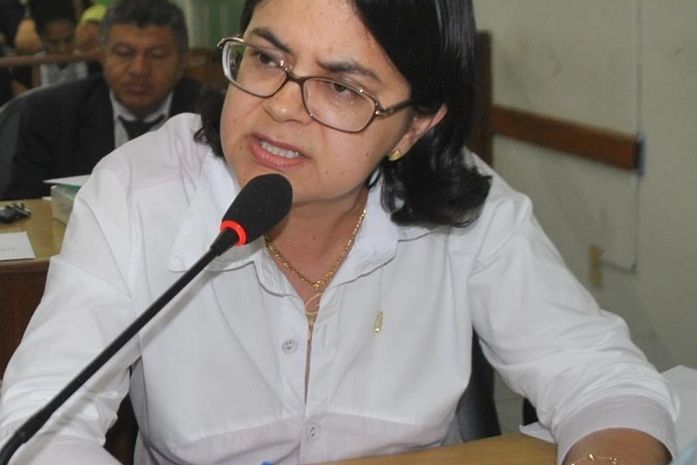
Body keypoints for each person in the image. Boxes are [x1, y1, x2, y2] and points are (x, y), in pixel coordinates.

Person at [0, 0, 678, 465]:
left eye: (343, 88)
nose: (280, 108)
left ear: (415, 126)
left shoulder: (468, 205)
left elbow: (600, 377)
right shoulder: (139, 191)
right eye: (267, 59)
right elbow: (38, 423)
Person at [1, 0, 203, 200]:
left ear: (183, 62)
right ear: (102, 57)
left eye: (157, 55)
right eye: (124, 54)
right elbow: (23, 205)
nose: (139, 69)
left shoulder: (211, 114)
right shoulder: (51, 114)